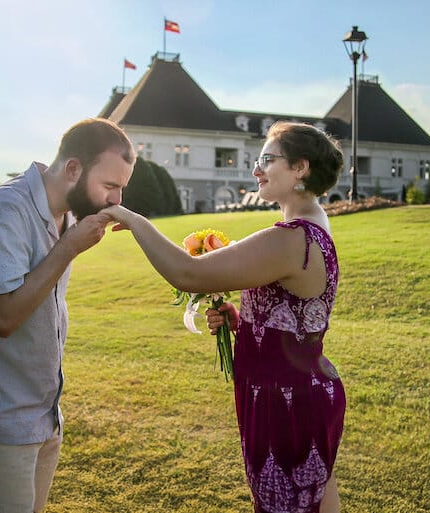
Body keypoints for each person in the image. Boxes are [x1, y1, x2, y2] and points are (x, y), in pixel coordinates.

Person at [100, 121, 346, 513]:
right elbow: (297, 315)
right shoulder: (316, 225)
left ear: (300, 168)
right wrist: (244, 322)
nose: (256, 169)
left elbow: (188, 273)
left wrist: (133, 220)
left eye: (267, 160)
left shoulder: (289, 238)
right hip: (306, 392)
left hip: (285, 403)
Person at [0, 118, 135, 513]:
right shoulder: (5, 209)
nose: (116, 199)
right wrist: (68, 248)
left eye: (121, 188)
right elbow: (3, 318)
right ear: (73, 169)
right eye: (110, 185)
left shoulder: (69, 214)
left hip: (42, 416)